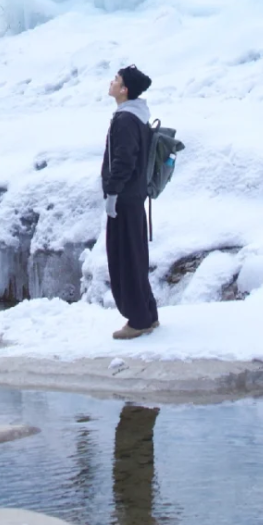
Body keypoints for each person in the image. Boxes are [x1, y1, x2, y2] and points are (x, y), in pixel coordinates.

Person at [102, 64, 159, 339]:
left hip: (125, 199)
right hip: (134, 198)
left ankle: (138, 320)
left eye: (116, 80)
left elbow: (124, 161)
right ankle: (148, 313)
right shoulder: (136, 116)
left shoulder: (125, 120)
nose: (111, 83)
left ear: (124, 90)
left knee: (125, 259)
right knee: (135, 256)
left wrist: (112, 193)